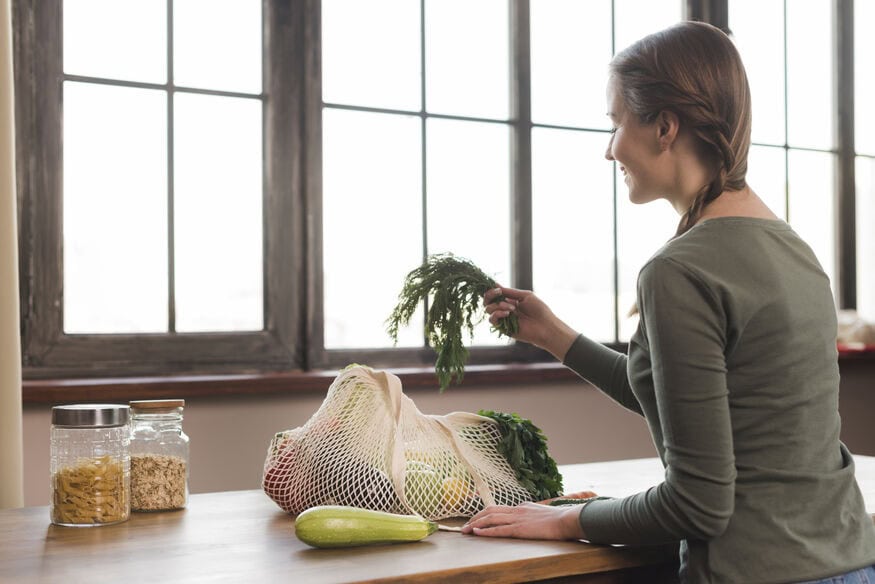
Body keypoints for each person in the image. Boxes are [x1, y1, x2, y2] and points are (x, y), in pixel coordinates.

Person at [460, 20, 875, 584]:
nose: (610, 150)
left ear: (665, 127)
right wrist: (554, 335)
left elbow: (698, 504)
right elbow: (697, 407)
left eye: (615, 123)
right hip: (849, 562)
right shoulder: (793, 249)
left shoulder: (679, 269)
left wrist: (562, 520)